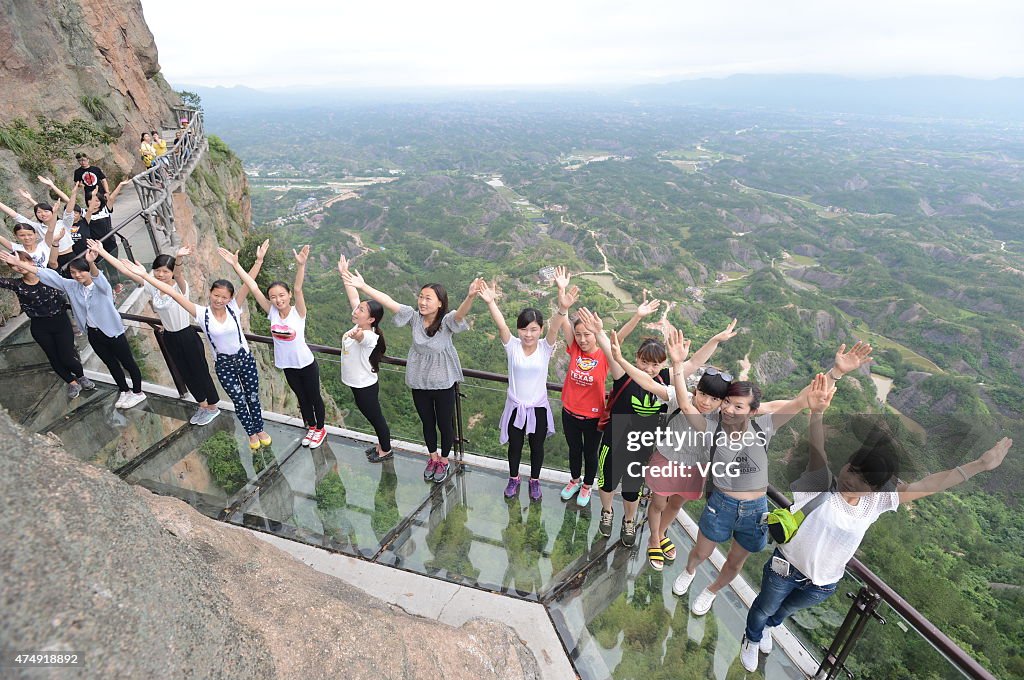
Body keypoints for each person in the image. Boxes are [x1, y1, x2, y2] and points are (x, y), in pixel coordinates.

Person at [739, 374, 1013, 671]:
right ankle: (752, 636)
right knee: (765, 606)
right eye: (852, 469)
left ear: (875, 489)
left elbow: (928, 484)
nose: (850, 479)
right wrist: (816, 413)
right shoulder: (819, 483)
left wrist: (978, 466)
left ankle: (767, 629)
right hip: (786, 569)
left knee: (784, 611)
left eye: (864, 480)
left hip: (823, 583)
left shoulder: (875, 503)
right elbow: (817, 447)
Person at [650, 327, 818, 616]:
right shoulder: (713, 428)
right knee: (701, 553)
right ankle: (689, 571)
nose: (728, 409)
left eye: (737, 405)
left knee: (734, 563)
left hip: (755, 510)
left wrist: (836, 374)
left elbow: (801, 402)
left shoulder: (763, 427)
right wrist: (677, 366)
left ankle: (711, 590)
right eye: (727, 402)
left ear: (753, 411)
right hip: (721, 503)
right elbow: (688, 405)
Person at [605, 320, 739, 569]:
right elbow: (648, 383)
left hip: (695, 467)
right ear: (695, 390)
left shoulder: (721, 419)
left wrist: (715, 341)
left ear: (723, 402)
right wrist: (622, 361)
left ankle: (661, 532)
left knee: (676, 504)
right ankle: (654, 539)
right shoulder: (683, 398)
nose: (706, 402)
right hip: (667, 459)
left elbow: (696, 362)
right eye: (703, 394)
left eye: (714, 398)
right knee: (658, 503)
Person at [124, 241, 274, 450]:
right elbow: (175, 294)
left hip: (245, 359)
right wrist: (146, 276)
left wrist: (257, 261)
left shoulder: (233, 308)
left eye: (224, 297)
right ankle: (251, 433)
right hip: (224, 365)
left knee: (252, 397)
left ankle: (259, 428)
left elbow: (249, 284)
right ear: (210, 294)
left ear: (230, 298)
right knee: (239, 401)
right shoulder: (202, 313)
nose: (219, 300)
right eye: (216, 295)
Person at [342, 266, 481, 485]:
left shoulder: (446, 323)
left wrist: (470, 296)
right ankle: (432, 457)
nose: (423, 302)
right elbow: (389, 302)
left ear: (440, 303)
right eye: (421, 297)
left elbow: (461, 313)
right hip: (419, 381)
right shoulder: (414, 318)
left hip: (443, 382)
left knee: (445, 424)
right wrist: (363, 286)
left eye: (428, 298)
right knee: (427, 422)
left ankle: (444, 461)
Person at [4, 241, 146, 409]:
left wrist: (92, 262)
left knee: (127, 362)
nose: (77, 275)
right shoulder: (72, 286)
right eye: (73, 272)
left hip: (113, 332)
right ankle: (124, 391)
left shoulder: (102, 287)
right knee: (111, 364)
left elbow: (97, 276)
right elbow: (45, 275)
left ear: (88, 272)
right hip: (93, 334)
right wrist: (20, 264)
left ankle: (137, 392)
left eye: (81, 272)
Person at [91, 244, 221, 426]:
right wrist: (103, 252)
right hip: (169, 336)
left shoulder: (180, 288)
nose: (161, 274)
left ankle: (213, 408)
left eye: (165, 271)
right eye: (157, 271)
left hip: (187, 335)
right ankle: (202, 405)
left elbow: (180, 273)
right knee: (184, 372)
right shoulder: (153, 287)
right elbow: (125, 270)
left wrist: (179, 258)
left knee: (200, 371)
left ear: (172, 272)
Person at [477, 276, 574, 501]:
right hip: (515, 407)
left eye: (533, 329)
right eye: (523, 329)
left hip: (538, 407)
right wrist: (491, 303)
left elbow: (555, 328)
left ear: (540, 329)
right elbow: (501, 325)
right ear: (518, 330)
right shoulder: (512, 346)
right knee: (515, 446)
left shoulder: (545, 348)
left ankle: (534, 481)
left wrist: (562, 307)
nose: (528, 334)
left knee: (537, 447)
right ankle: (514, 479)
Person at [223, 244, 327, 448]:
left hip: (306, 363)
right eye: (273, 297)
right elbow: (252, 286)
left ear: (288, 295)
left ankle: (321, 429)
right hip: (288, 365)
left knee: (315, 397)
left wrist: (301, 266)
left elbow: (298, 288)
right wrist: (236, 265)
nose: (278, 300)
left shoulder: (299, 312)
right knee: (302, 398)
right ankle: (312, 427)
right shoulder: (271, 312)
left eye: (281, 295)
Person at [0, 251, 94, 399]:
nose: (19, 267)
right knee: (54, 358)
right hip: (40, 326)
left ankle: (81, 376)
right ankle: (72, 382)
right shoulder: (17, 284)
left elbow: (73, 280)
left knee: (67, 356)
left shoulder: (48, 277)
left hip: (61, 321)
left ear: (31, 262)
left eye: (22, 262)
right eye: (14, 265)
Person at [556, 270, 608, 510]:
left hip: (594, 417)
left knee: (591, 453)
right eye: (579, 335)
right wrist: (562, 297)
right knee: (574, 451)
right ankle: (574, 480)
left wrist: (637, 316)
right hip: (569, 412)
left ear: (596, 335)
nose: (583, 339)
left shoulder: (605, 355)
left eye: (587, 334)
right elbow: (563, 322)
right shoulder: (574, 349)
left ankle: (588, 484)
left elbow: (616, 342)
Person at [337, 255, 393, 463]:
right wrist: (344, 273)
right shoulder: (359, 323)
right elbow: (353, 295)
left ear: (371, 319)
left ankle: (386, 449)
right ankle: (381, 444)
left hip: (364, 385)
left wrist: (356, 335)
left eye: (361, 310)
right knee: (372, 416)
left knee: (375, 417)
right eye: (358, 307)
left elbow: (362, 338)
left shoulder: (369, 336)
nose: (356, 309)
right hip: (357, 382)